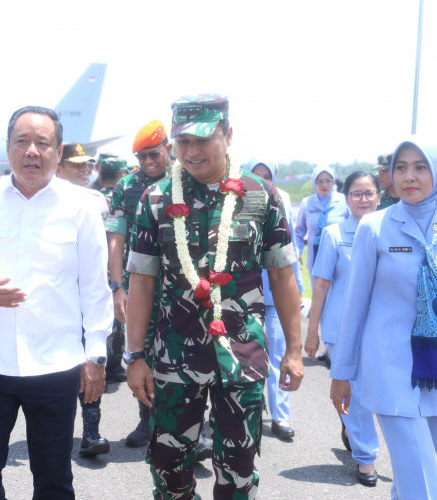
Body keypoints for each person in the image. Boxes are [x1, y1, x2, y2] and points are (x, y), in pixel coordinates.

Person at [125, 94, 304, 499]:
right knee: (168, 470)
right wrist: (135, 355)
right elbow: (142, 283)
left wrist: (293, 350)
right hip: (174, 357)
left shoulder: (262, 196)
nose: (191, 151)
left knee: (238, 473)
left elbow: (283, 276)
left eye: (203, 140)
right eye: (182, 141)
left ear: (228, 135)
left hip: (242, 357)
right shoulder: (156, 199)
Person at [0, 106, 114, 499]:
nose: (32, 151)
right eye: (22, 141)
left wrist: (96, 354)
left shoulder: (80, 206)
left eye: (42, 143)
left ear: (58, 151)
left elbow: (95, 286)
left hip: (55, 364)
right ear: (8, 148)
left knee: (53, 480)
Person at [329, 136, 437, 500]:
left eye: (421, 167)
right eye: (401, 168)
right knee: (422, 484)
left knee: (413, 477)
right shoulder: (374, 227)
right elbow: (354, 307)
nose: (409, 176)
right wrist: (341, 373)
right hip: (388, 368)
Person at [305, 171, 381, 487]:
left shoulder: (389, 233)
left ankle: (353, 430)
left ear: (379, 197)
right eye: (356, 193)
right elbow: (321, 284)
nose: (363, 199)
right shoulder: (334, 234)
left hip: (380, 328)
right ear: (346, 198)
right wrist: (312, 331)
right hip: (340, 328)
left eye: (369, 193)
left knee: (375, 392)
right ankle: (366, 457)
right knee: (357, 394)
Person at [106, 120, 172, 448]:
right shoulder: (127, 187)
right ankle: (147, 420)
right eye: (141, 156)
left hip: (178, 285)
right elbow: (116, 240)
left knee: (187, 351)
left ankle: (196, 425)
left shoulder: (186, 181)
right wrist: (118, 287)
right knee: (140, 349)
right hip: (140, 284)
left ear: (168, 149)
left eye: (153, 154)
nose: (147, 161)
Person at [56, 142, 112, 457]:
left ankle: (91, 433)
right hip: (58, 297)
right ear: (58, 165)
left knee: (93, 359)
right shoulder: (44, 201)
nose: (85, 169)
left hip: (89, 295)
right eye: (77, 164)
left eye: (87, 164)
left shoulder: (96, 200)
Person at [247, 158, 305, 442]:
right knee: (247, 358)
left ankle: (280, 416)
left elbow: (288, 252)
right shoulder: (235, 202)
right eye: (255, 175)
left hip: (274, 296)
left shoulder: (279, 202)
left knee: (279, 355)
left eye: (267, 176)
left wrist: (299, 288)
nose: (262, 181)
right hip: (245, 296)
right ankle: (250, 413)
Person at [295, 166, 348, 279]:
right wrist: (297, 251)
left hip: (339, 254)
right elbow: (299, 232)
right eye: (320, 181)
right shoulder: (307, 203)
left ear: (333, 182)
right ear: (314, 183)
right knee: (317, 288)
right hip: (315, 256)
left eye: (328, 180)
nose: (324, 185)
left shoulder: (344, 201)